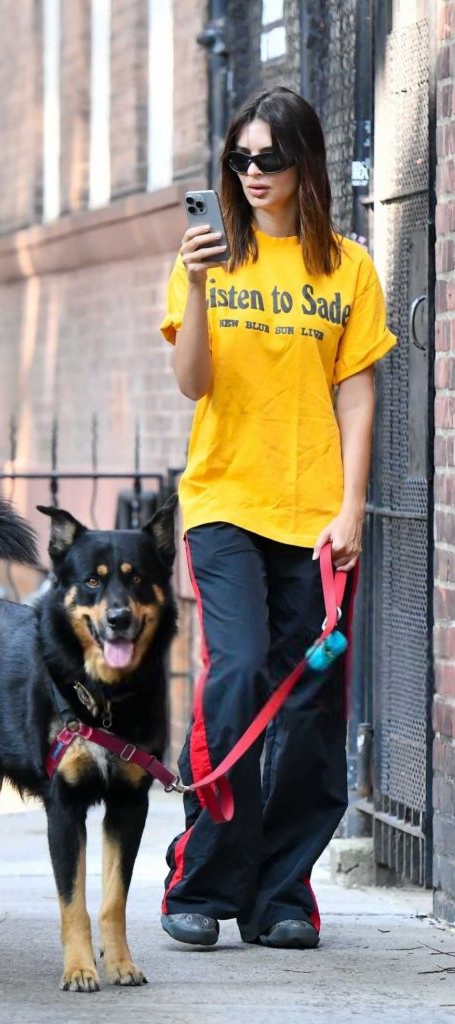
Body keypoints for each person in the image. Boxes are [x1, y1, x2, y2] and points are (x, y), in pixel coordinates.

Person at [159, 87, 396, 950]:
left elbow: (356, 395)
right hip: (224, 500)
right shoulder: (210, 257)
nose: (252, 174)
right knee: (239, 671)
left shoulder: (348, 270)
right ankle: (203, 878)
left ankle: (282, 894)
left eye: (269, 159)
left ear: (304, 164)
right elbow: (191, 383)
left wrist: (351, 508)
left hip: (314, 514)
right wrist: (191, 281)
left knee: (306, 702)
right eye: (240, 159)